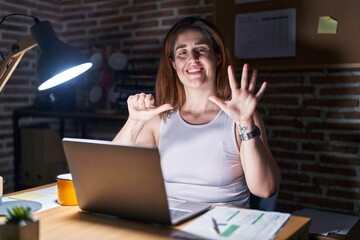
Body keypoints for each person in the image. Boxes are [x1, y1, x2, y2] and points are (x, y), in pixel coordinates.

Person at [113, 16, 281, 208]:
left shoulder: (241, 118)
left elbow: (265, 189)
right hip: (167, 225)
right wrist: (133, 122)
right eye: (182, 52)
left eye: (201, 50)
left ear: (217, 58)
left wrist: (245, 123)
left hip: (224, 229)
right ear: (174, 64)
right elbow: (113, 173)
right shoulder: (159, 120)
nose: (192, 59)